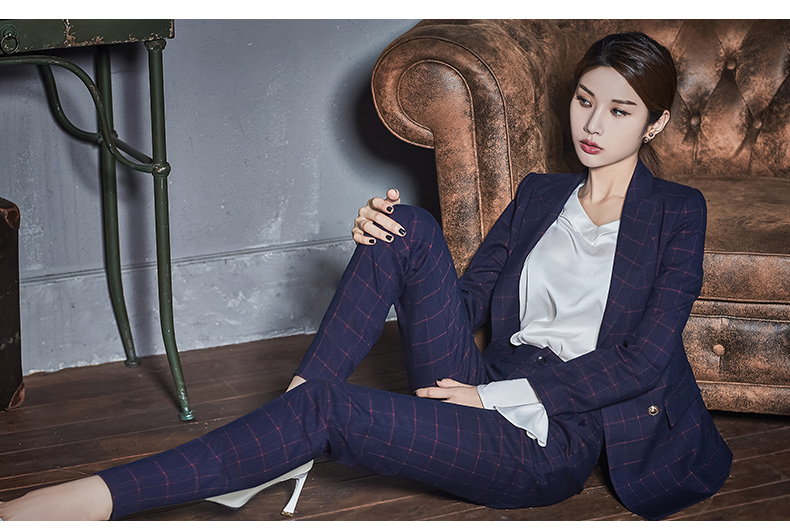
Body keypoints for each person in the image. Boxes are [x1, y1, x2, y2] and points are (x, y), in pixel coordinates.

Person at [0, 31, 732, 522]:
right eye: (583, 100)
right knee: (404, 223)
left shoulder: (677, 213)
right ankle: (290, 425)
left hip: (549, 432)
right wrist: (386, 249)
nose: (592, 124)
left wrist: (491, 396)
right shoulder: (542, 193)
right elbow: (468, 298)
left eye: (619, 110)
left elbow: (639, 363)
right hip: (481, 376)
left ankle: (94, 498)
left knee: (326, 410)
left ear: (655, 123)